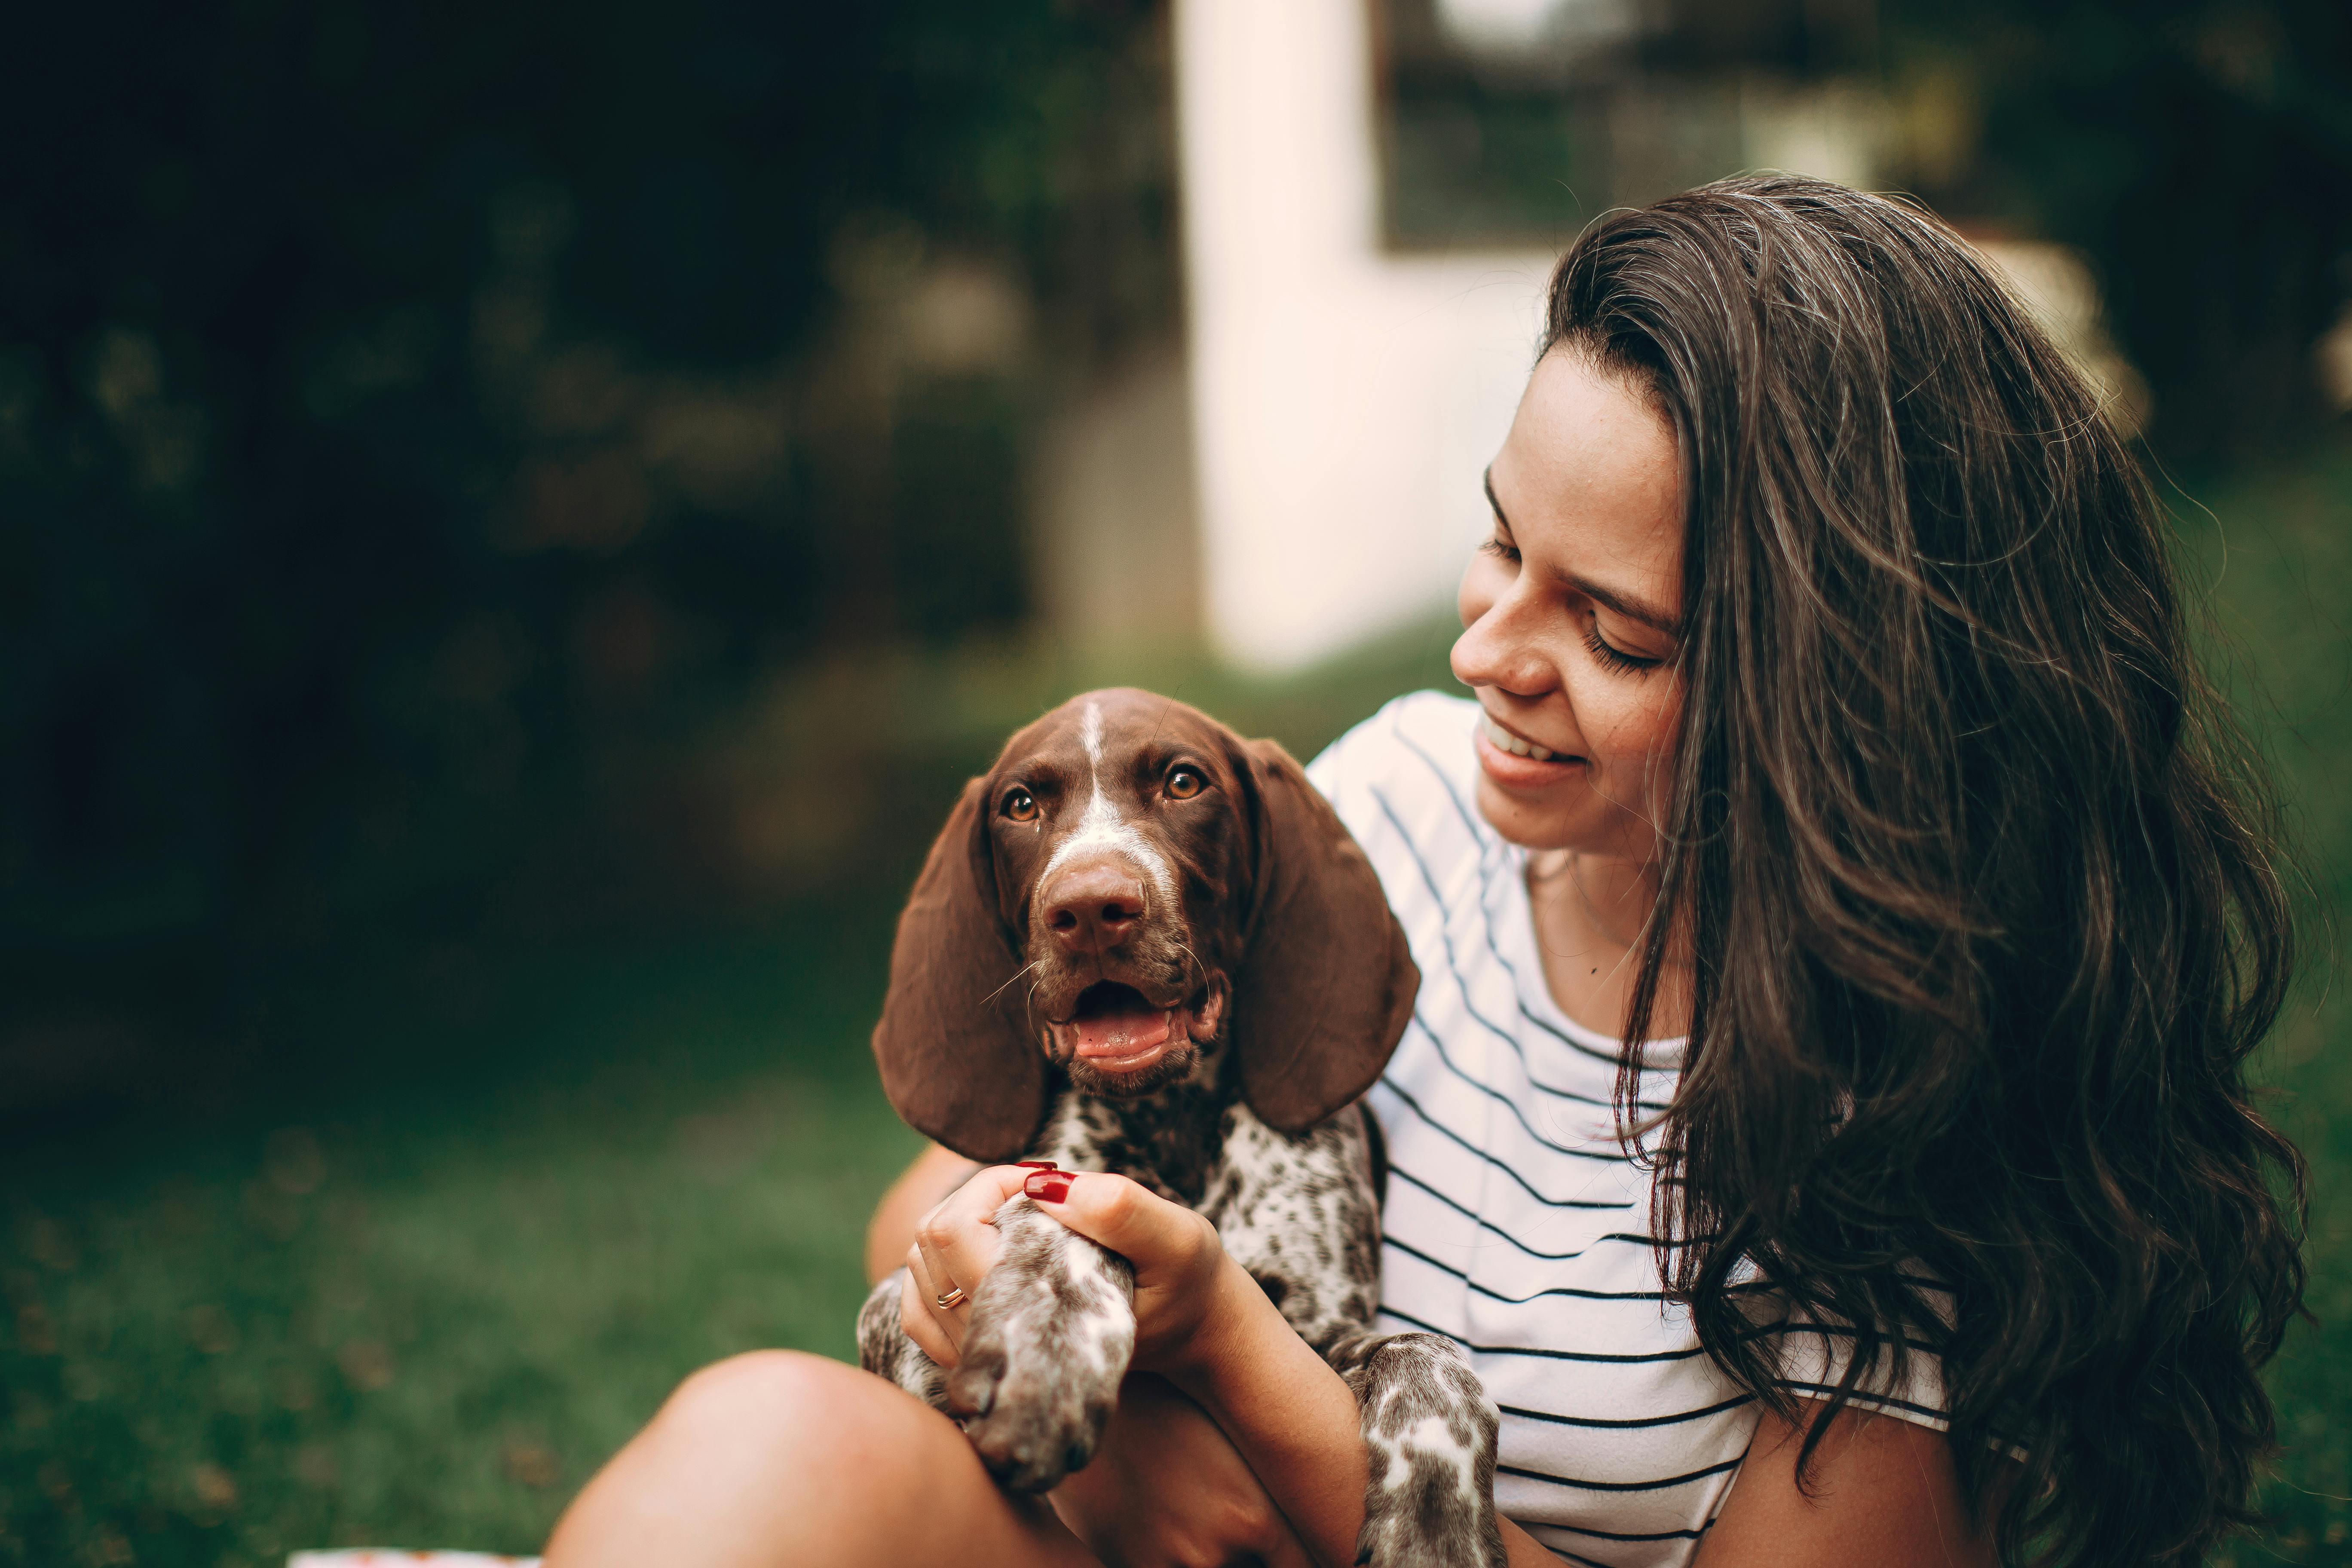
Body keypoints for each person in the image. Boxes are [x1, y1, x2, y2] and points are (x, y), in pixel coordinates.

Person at [542, 175, 2306, 1568]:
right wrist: (1109, 1399)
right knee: (766, 1440)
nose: (1490, 654)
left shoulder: (1919, 1128)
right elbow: (934, 1190)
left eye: (1608, 625)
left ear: (1841, 699)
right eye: (1498, 540)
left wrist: (1237, 1369)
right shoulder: (1395, 803)